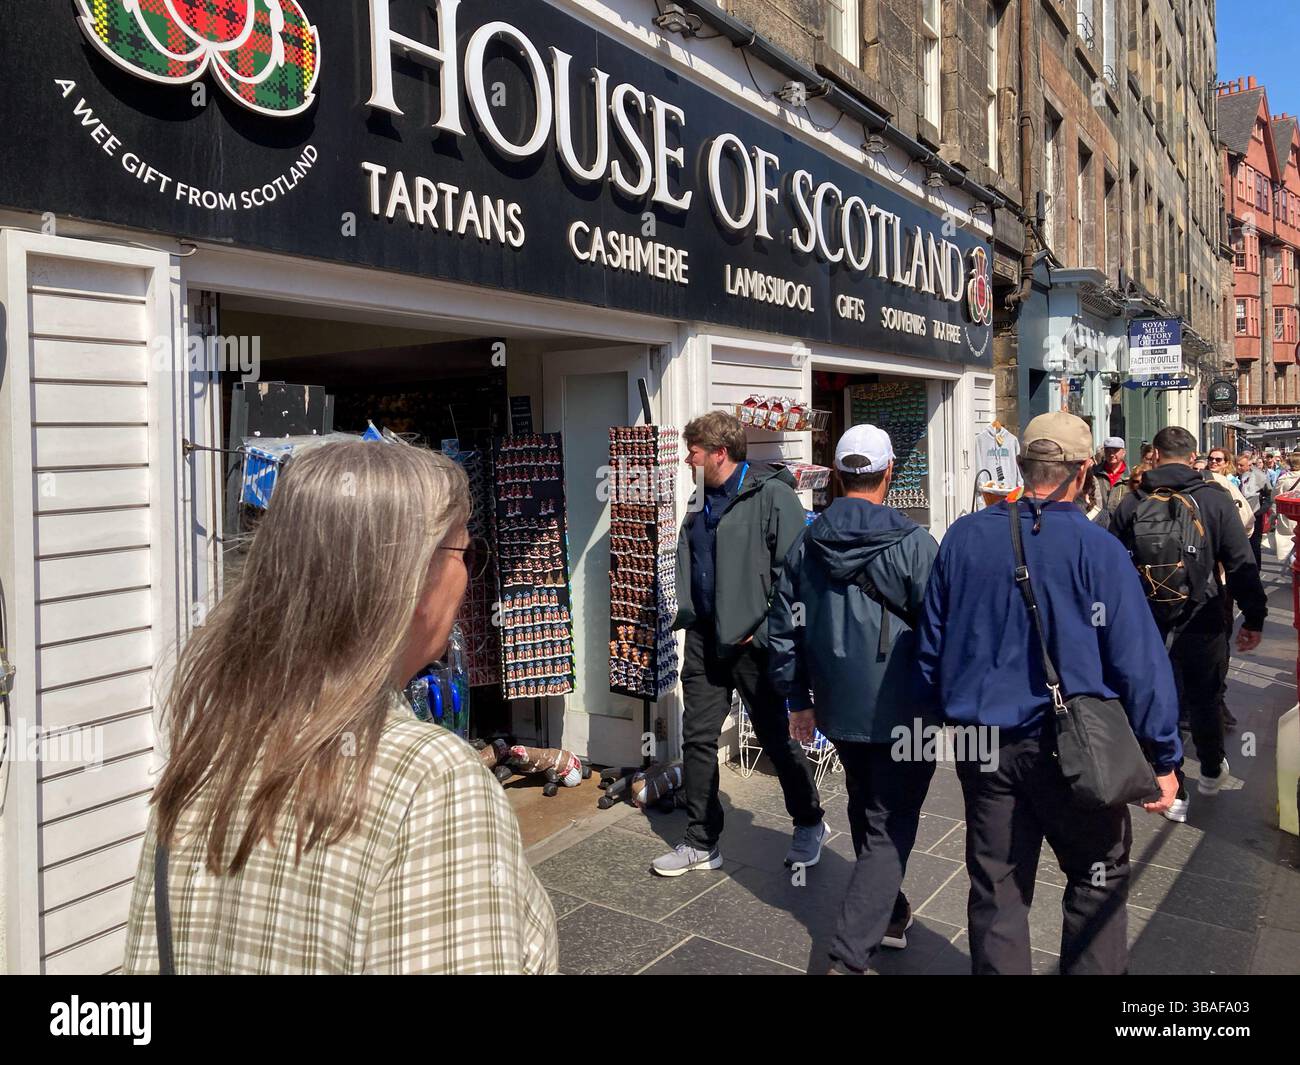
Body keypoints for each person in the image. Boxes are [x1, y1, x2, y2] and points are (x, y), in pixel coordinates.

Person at [122, 440, 557, 973]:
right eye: (464, 553)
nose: (468, 577)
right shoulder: (431, 778)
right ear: (410, 578)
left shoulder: (209, 753)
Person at [915, 412, 1181, 976]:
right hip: (1075, 747)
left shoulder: (964, 536)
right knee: (1095, 877)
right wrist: (1163, 756)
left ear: (1019, 466)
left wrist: (945, 715)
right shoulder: (1099, 549)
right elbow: (1139, 661)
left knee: (997, 886)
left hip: (984, 743)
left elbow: (930, 647)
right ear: (1084, 471)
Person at [768, 425, 939, 973]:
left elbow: (782, 631)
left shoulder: (805, 544)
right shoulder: (916, 545)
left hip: (838, 707)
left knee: (867, 804)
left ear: (838, 476)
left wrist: (798, 700)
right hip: (903, 709)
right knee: (890, 826)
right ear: (889, 472)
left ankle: (888, 913)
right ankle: (848, 954)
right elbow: (943, 632)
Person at [655, 411, 825, 876]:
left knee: (775, 736)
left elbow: (798, 577)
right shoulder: (699, 498)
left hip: (755, 645)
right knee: (697, 739)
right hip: (704, 637)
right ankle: (701, 840)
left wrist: (767, 628)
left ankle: (809, 820)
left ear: (719, 453)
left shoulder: (774, 497)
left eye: (694, 451)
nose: (688, 458)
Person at [1111, 427, 1267, 822]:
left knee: (1161, 697)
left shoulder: (1132, 502)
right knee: (1206, 695)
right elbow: (1240, 562)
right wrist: (1254, 616)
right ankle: (1212, 769)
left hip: (1148, 619)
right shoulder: (1214, 499)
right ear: (1193, 456)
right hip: (1205, 614)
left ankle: (1173, 786)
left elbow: (1109, 562)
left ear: (1156, 455)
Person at [1235, 452, 1271, 568]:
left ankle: (1256, 568)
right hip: (1237, 516)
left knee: (1254, 544)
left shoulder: (1259, 476)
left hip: (1254, 515)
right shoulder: (1233, 477)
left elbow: (1269, 495)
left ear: (1249, 465)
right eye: (1237, 465)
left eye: (1241, 465)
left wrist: (1261, 511)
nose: (1238, 468)